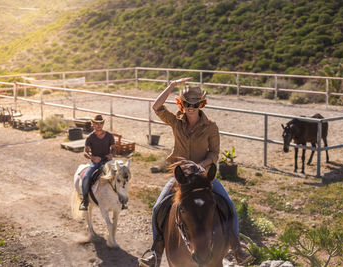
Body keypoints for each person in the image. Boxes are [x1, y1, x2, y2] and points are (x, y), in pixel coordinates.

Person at [139, 78, 253, 267]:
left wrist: (201, 164)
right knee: (157, 208)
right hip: (182, 178)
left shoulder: (211, 127)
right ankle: (156, 252)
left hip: (203, 177)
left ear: (202, 104)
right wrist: (171, 86)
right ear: (181, 104)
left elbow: (214, 153)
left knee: (229, 205)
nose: (191, 107)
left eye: (195, 103)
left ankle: (237, 247)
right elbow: (156, 106)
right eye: (187, 103)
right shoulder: (176, 122)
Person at [79, 114, 116, 210]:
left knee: (120, 176)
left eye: (101, 123)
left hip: (107, 162)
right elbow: (85, 152)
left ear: (103, 124)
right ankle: (85, 200)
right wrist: (92, 157)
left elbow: (113, 148)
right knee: (86, 177)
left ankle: (121, 199)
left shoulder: (109, 136)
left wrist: (111, 155)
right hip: (95, 163)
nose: (99, 125)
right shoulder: (90, 138)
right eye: (96, 123)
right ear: (93, 124)